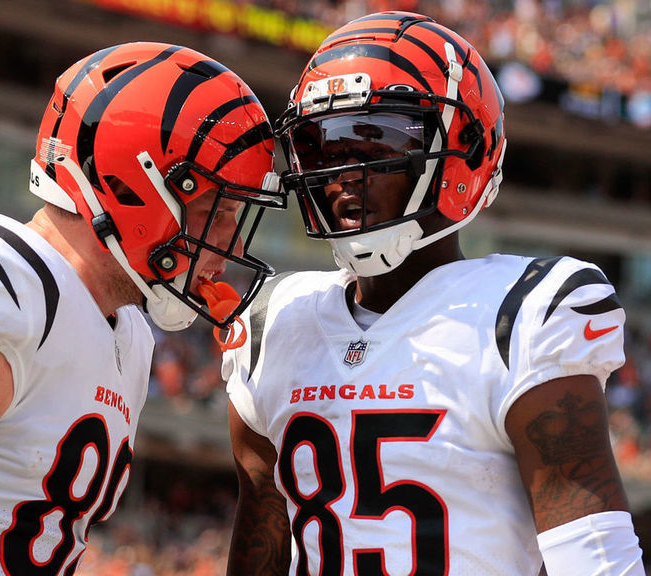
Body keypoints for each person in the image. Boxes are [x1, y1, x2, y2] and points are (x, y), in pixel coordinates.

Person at [224, 11, 644, 576]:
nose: (343, 171)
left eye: (376, 139)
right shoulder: (275, 323)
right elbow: (261, 555)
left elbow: (595, 558)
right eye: (321, 144)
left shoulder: (520, 316)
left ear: (464, 150)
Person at [0, 41, 284, 575]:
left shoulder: (130, 337)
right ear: (133, 186)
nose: (229, 242)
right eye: (217, 208)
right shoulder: (4, 284)